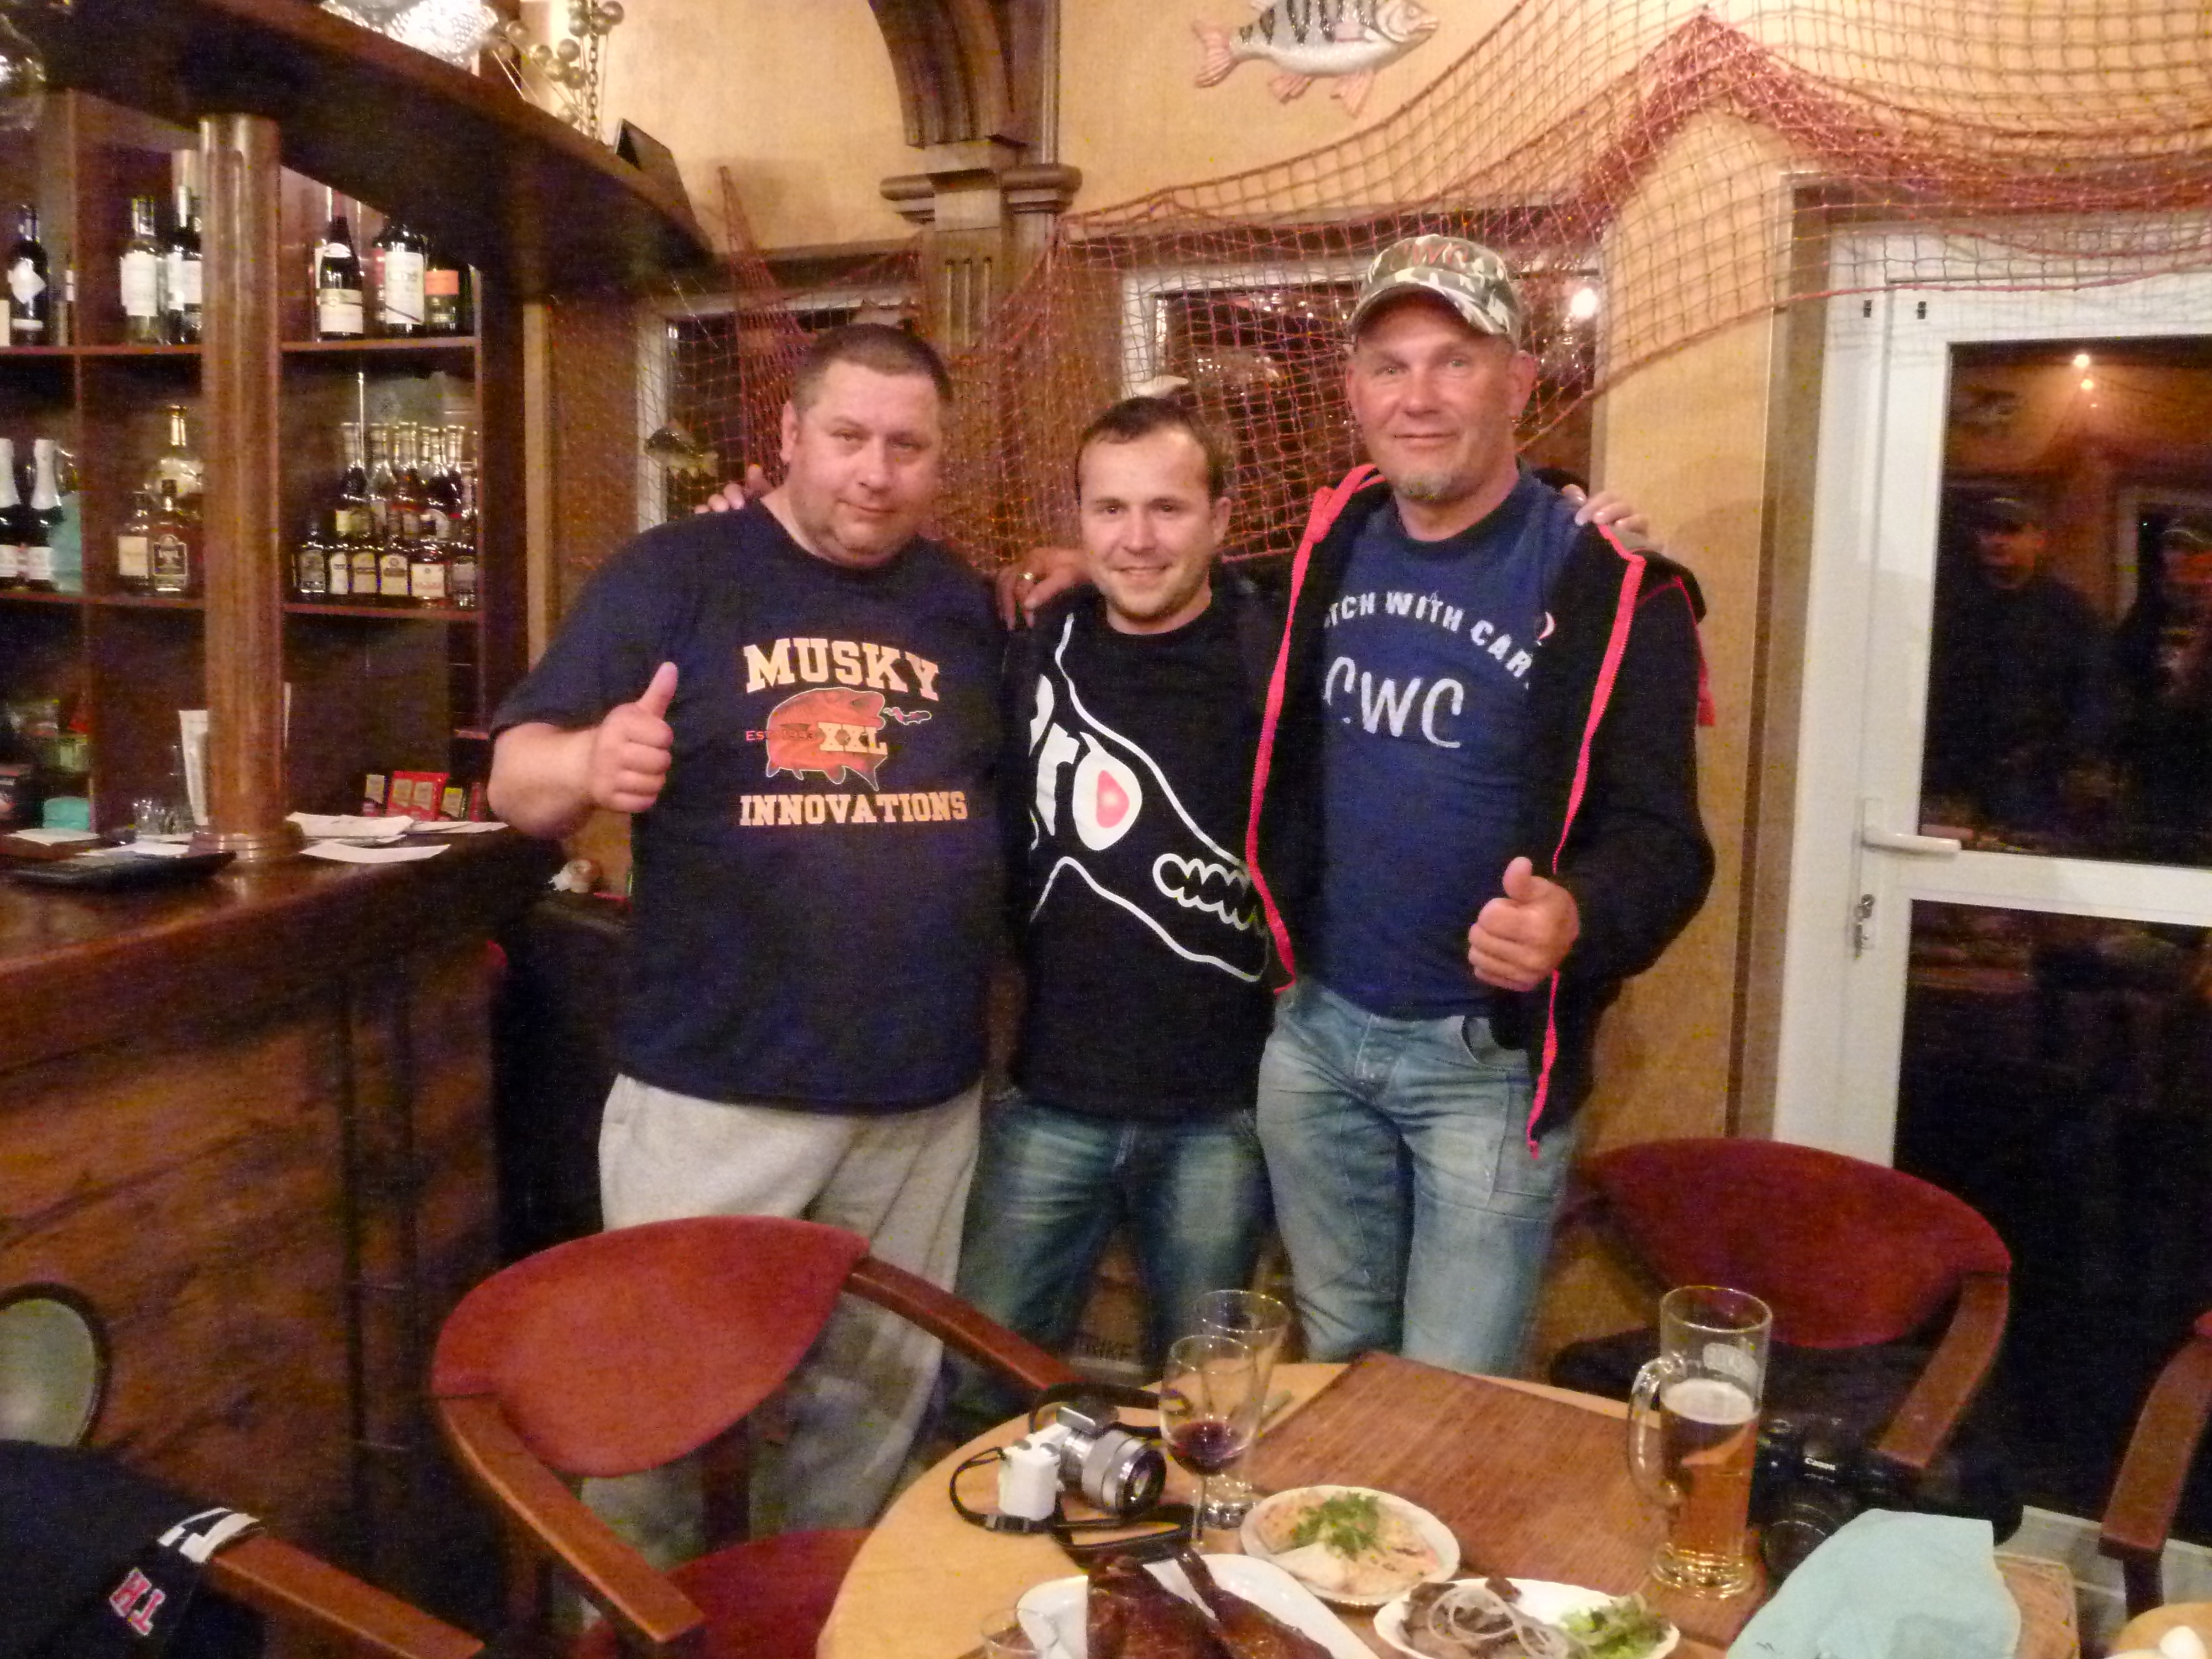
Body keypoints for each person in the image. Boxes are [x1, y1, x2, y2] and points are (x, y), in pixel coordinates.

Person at [487, 323, 1002, 1542]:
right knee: (654, 1430)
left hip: (919, 1102)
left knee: (867, 1432)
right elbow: (514, 780)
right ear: (788, 434)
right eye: (847, 437)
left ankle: (811, 1619)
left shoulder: (963, 601)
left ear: (939, 460)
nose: (874, 471)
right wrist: (589, 761)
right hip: (718, 1099)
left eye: (906, 446)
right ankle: (631, 1623)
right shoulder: (674, 573)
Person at [1243, 234, 1714, 1375]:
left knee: (1451, 1397)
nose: (1418, 397)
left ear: (1519, 381)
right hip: (1314, 1038)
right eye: (1389, 365)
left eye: (1454, 361)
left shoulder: (1611, 586)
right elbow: (1187, 589)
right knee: (1335, 1364)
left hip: (1485, 1066)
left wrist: (1575, 916)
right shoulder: (1329, 542)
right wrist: (1070, 571)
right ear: (1354, 391)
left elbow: (1665, 845)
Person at [944, 397, 1281, 1436]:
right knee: (979, 1392)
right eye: (1110, 510)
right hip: (1048, 1096)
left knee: (1202, 1412)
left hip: (1222, 1112)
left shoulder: (1277, 651)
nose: (1137, 538)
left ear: (1221, 521)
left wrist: (1577, 520)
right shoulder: (1028, 644)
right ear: (1080, 519)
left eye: (1167, 509)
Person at [1921, 494, 2111, 836]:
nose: (1996, 540)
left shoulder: (2069, 614)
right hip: (1953, 773)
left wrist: (2069, 756)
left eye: (2010, 531)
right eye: (1988, 530)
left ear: (2039, 540)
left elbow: (2094, 691)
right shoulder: (1950, 606)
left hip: (2035, 778)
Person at [2112, 513, 2212, 850]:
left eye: (2192, 549)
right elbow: (2121, 672)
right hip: (2155, 759)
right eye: (2172, 547)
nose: (2179, 557)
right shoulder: (2150, 609)